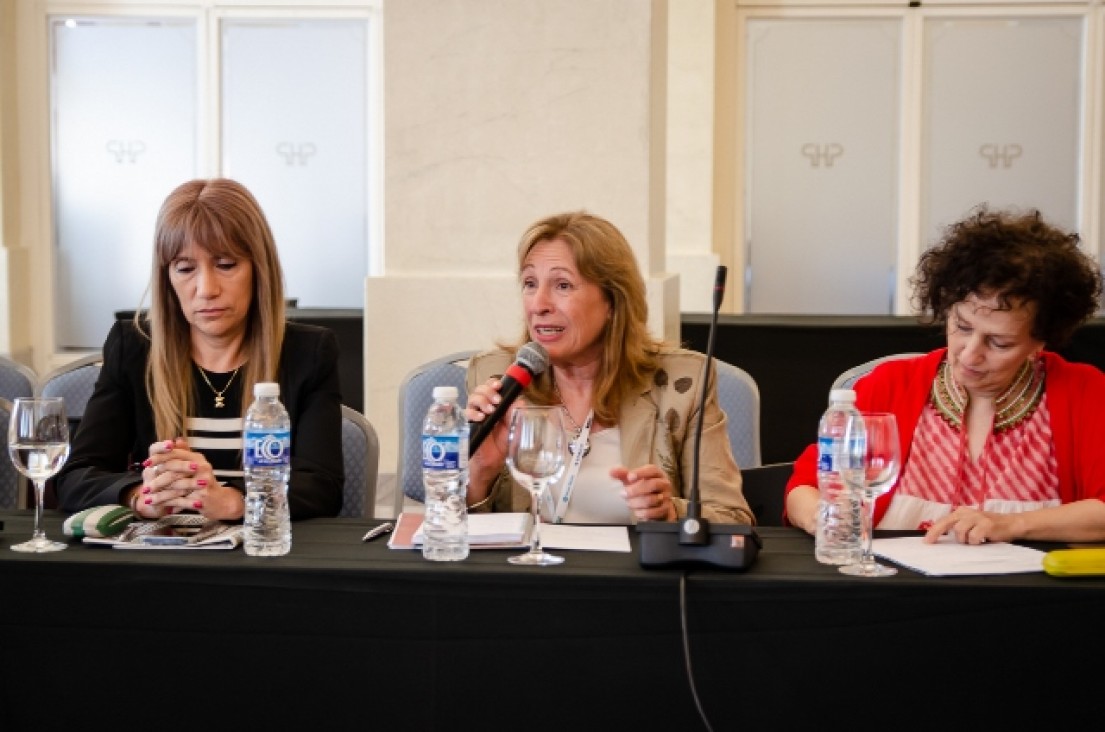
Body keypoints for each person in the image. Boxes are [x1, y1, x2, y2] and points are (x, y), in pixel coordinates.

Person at [785, 206, 1105, 544]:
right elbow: (804, 487)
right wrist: (820, 517)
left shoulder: (1085, 393)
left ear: (1040, 341)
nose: (969, 354)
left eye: (999, 342)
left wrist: (1014, 524)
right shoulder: (889, 386)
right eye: (962, 326)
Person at [55, 178, 344, 521]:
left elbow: (323, 488)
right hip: (166, 558)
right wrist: (138, 495)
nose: (206, 289)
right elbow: (75, 477)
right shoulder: (133, 348)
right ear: (168, 278)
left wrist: (233, 502)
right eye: (185, 268)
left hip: (265, 557)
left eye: (225, 265)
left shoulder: (308, 352)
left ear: (258, 269)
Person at [464, 211, 753, 525]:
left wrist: (671, 512)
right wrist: (480, 474)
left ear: (613, 302)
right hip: (529, 572)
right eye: (530, 284)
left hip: (634, 573)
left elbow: (734, 519)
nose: (538, 304)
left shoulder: (681, 386)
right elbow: (444, 535)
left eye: (562, 285)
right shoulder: (496, 378)